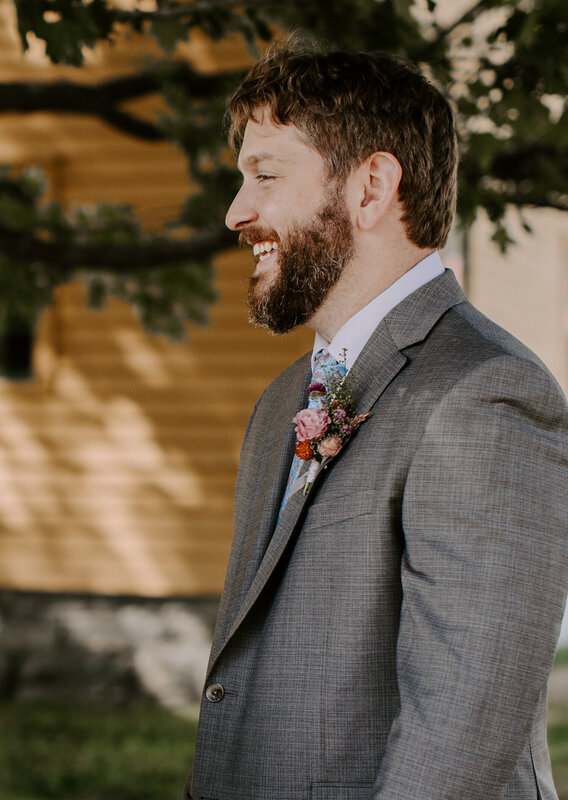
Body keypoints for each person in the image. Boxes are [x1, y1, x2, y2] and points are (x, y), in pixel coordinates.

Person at [186, 38, 568, 799]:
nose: (237, 213)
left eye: (266, 175)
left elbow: (459, 737)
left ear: (371, 187)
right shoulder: (280, 403)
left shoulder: (486, 392)